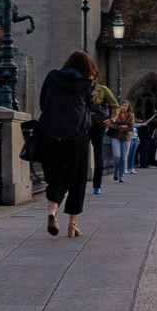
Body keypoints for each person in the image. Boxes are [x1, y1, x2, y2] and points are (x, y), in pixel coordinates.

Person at [37, 52, 102, 239]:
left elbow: (43, 103)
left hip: (50, 134)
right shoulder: (85, 84)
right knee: (77, 179)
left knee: (55, 175)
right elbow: (89, 107)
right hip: (77, 136)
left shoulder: (52, 76)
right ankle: (72, 224)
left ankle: (52, 210)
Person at [86, 70, 120, 197]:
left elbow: (115, 106)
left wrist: (112, 119)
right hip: (82, 125)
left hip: (98, 125)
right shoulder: (79, 89)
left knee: (98, 155)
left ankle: (97, 185)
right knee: (80, 155)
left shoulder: (103, 90)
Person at [105, 101, 135, 186]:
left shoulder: (131, 116)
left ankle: (121, 175)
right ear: (120, 106)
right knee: (116, 155)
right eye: (122, 105)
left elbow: (131, 128)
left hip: (126, 138)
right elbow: (111, 125)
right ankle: (115, 170)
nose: (124, 107)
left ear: (128, 107)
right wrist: (122, 127)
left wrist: (119, 127)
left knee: (123, 157)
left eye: (126, 106)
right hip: (115, 137)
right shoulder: (115, 114)